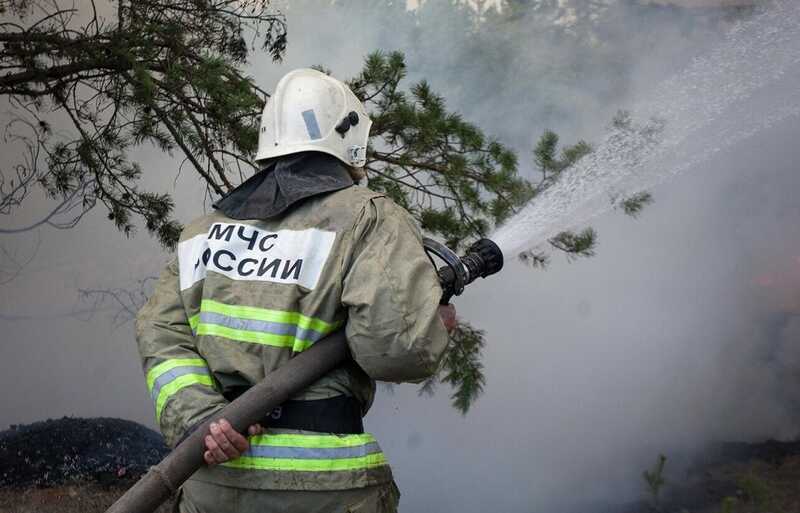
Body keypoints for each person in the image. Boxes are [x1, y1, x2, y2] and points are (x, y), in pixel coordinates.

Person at [135, 68, 456, 513]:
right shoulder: (366, 217)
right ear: (350, 137)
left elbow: (162, 338)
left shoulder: (202, 234)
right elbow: (395, 350)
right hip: (326, 484)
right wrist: (432, 324)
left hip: (218, 480)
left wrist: (202, 419)